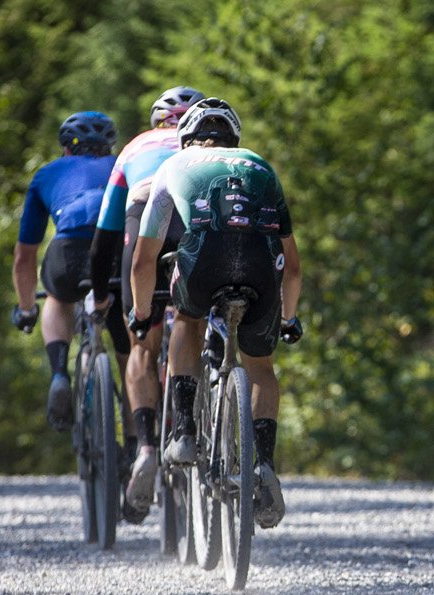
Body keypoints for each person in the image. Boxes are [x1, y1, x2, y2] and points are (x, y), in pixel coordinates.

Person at [128, 98, 304, 529]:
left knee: (187, 320)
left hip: (204, 258)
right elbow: (294, 266)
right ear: (234, 139)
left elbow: (143, 259)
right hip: (261, 265)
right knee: (261, 367)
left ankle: (185, 432)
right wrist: (288, 319)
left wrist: (141, 312)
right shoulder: (260, 165)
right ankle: (264, 464)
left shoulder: (173, 165)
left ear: (186, 138)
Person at [88, 86, 203, 521]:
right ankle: (203, 398)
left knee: (141, 344)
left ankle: (147, 447)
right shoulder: (211, 149)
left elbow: (105, 234)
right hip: (196, 222)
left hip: (145, 220)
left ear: (158, 121)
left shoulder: (134, 148)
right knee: (195, 318)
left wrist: (103, 293)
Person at [10, 111, 123, 432]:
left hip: (67, 251)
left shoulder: (47, 174)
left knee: (57, 296)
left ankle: (59, 372)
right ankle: (135, 439)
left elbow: (24, 256)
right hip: (115, 248)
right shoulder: (123, 164)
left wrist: (27, 309)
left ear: (66, 148)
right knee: (132, 354)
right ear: (109, 146)